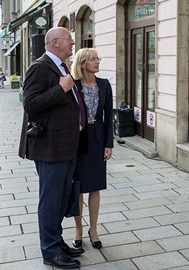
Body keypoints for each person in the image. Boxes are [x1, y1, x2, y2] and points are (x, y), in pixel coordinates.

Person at [18, 27, 86, 269]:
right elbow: (31, 104)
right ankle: (50, 251)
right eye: (69, 39)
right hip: (50, 147)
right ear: (55, 42)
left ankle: (56, 242)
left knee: (61, 198)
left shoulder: (62, 65)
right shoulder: (39, 66)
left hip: (66, 145)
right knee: (50, 200)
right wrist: (61, 89)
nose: (73, 42)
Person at [70, 48, 113, 250]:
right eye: (93, 59)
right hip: (77, 140)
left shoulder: (104, 85)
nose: (98, 62)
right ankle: (78, 228)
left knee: (95, 186)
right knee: (77, 187)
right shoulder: (73, 85)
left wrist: (108, 144)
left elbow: (108, 117)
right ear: (83, 63)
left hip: (97, 139)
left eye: (98, 59)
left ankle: (93, 229)